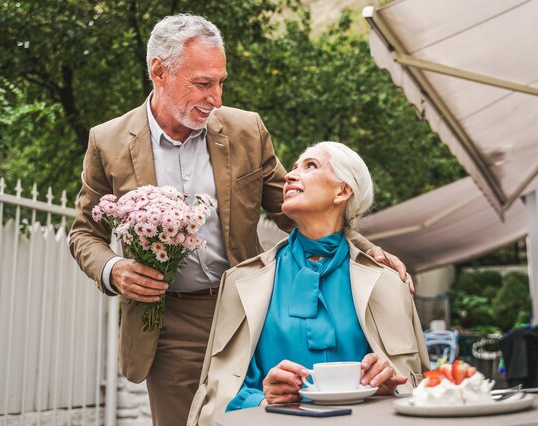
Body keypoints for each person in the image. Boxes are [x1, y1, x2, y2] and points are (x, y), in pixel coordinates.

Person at [68, 14, 410, 426]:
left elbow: (297, 208)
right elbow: (85, 232)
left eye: (220, 81)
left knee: (262, 417)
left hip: (251, 312)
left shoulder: (246, 130)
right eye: (203, 83)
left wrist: (367, 254)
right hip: (172, 322)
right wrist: (113, 268)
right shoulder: (107, 142)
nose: (216, 96)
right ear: (159, 71)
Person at [187, 142, 429, 426]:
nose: (289, 176)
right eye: (293, 168)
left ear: (343, 191)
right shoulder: (240, 282)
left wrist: (390, 386)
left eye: (310, 166)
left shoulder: (390, 283)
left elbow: (422, 387)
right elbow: (218, 393)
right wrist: (263, 400)